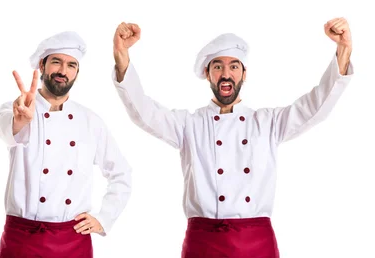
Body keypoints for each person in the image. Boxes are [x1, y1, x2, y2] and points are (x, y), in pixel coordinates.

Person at [111, 17, 353, 258]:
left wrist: (343, 50)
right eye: (218, 66)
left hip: (257, 243)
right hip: (203, 242)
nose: (226, 74)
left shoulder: (268, 123)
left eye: (234, 66)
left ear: (244, 74)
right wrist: (122, 56)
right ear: (208, 73)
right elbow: (143, 111)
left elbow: (314, 107)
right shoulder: (188, 125)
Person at [0, 31, 133, 257]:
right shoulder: (16, 108)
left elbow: (121, 173)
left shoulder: (90, 121)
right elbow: (5, 130)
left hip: (72, 241)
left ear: (77, 72)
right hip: (22, 239)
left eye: (71, 65)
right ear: (42, 65)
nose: (62, 71)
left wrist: (103, 218)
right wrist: (19, 121)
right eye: (56, 62)